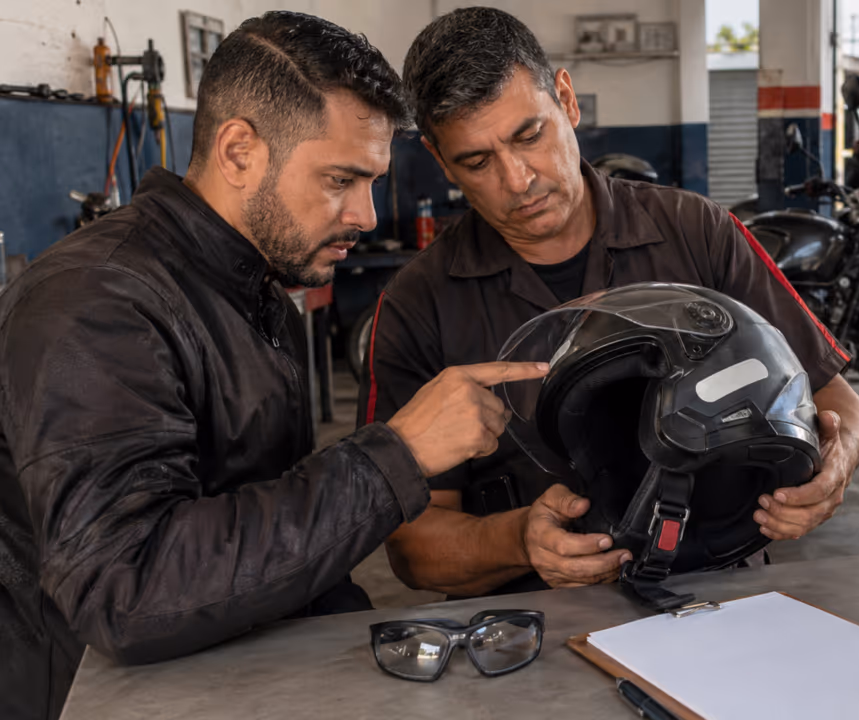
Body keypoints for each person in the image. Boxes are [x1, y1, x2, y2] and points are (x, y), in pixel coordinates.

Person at [0, 13, 544, 720]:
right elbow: (125, 589)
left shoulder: (256, 296)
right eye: (341, 179)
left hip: (226, 684)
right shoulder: (94, 303)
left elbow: (277, 543)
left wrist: (364, 642)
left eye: (373, 181)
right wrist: (397, 455)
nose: (365, 214)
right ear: (238, 151)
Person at [359, 7, 859, 598]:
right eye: (477, 161)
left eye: (530, 135)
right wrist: (517, 539)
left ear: (567, 101)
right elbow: (411, 549)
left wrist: (836, 464)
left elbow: (832, 393)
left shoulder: (698, 232)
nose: (518, 178)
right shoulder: (417, 304)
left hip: (713, 598)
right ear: (439, 159)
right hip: (528, 634)